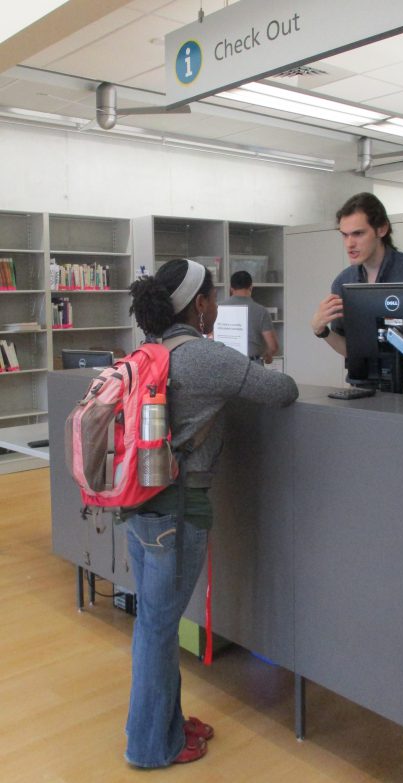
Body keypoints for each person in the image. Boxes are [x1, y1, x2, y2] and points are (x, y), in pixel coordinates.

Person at [126, 258, 298, 769]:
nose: (218, 305)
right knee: (158, 629)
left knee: (153, 623)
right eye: (214, 297)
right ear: (198, 304)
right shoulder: (205, 357)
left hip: (138, 506)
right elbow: (282, 390)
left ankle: (167, 725)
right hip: (179, 508)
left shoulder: (148, 350)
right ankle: (151, 745)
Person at [311, 192, 403, 358]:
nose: (349, 244)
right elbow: (351, 351)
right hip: (363, 382)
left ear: (382, 229)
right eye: (345, 235)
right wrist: (322, 331)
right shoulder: (343, 282)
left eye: (358, 234)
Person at [221, 270, 279, 363]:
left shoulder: (217, 308)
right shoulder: (261, 311)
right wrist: (267, 356)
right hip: (252, 364)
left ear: (231, 289)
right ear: (251, 287)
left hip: (225, 363)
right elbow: (273, 346)